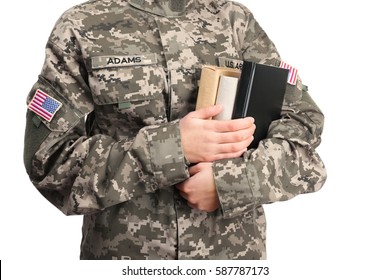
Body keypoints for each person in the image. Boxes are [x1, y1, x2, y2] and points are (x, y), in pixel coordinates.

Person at [23, 0, 327, 260]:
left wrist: (231, 184)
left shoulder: (234, 21)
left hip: (233, 261)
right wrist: (172, 147)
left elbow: (303, 131)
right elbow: (48, 162)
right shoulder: (81, 26)